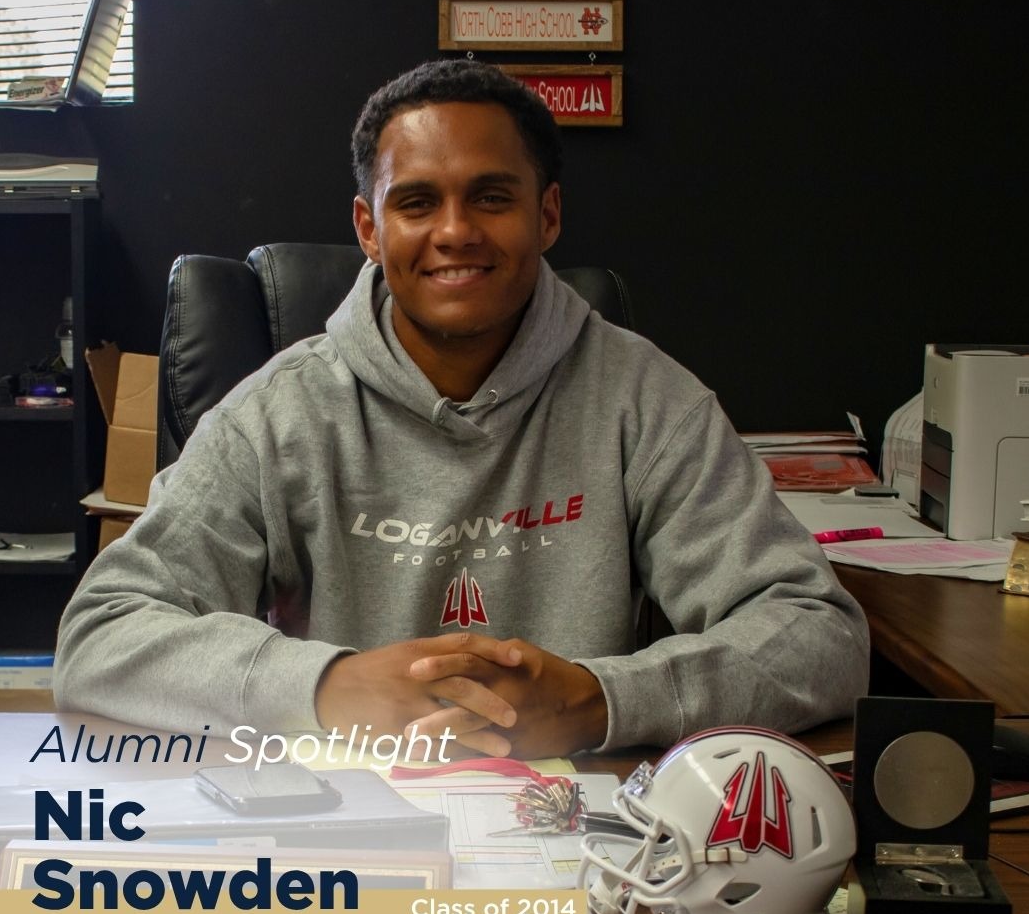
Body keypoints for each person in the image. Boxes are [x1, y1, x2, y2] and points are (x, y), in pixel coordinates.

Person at [54, 59, 868, 759]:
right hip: (343, 814)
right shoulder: (275, 415)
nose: (454, 232)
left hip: (581, 821)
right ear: (369, 228)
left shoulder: (647, 401)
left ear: (547, 214)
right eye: (416, 203)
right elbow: (101, 635)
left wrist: (600, 701)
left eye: (491, 197)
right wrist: (327, 686)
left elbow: (819, 636)